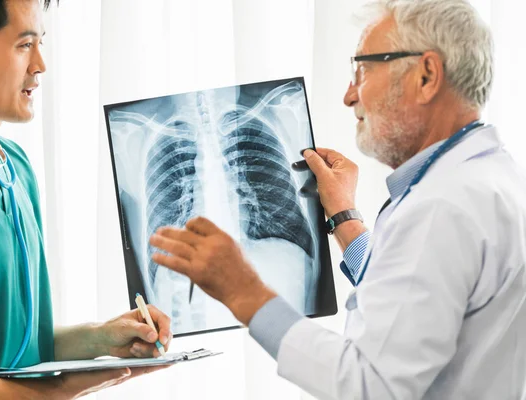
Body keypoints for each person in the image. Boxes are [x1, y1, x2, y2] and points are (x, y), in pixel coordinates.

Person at [150, 0, 526, 399]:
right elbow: (415, 314)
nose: (349, 95)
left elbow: (369, 385)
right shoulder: (488, 179)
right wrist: (345, 218)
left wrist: (245, 292)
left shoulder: (442, 208)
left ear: (426, 76)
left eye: (363, 70)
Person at [0, 0, 172, 398]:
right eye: (24, 45)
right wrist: (48, 395)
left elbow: (18, 343)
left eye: (41, 43)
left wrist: (101, 338)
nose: (40, 65)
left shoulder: (16, 168)